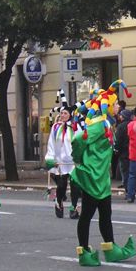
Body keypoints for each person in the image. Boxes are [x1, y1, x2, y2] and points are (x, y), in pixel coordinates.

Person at [71, 83, 136, 266]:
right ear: (107, 106)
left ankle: (110, 248)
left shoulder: (106, 123)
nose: (118, 107)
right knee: (87, 215)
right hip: (93, 177)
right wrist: (78, 160)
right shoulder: (99, 125)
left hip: (101, 177)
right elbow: (78, 139)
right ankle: (84, 251)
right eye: (115, 104)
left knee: (105, 214)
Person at [45, 92, 82, 220]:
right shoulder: (56, 127)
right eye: (61, 113)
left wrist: (81, 158)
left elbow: (81, 143)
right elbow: (51, 143)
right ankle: (59, 202)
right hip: (60, 162)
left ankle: (74, 207)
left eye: (65, 113)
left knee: (75, 184)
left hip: (73, 162)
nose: (62, 115)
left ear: (70, 114)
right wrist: (51, 159)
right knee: (61, 185)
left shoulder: (76, 127)